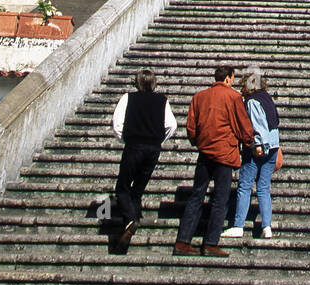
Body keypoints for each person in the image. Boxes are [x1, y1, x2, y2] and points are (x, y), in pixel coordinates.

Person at [173, 65, 254, 257]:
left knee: (196, 195)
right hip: (225, 153)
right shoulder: (233, 97)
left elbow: (191, 127)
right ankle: (210, 243)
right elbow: (244, 126)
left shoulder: (199, 97)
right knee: (220, 199)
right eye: (233, 78)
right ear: (227, 78)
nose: (233, 82)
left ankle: (183, 240)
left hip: (205, 152)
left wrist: (198, 141)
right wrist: (248, 141)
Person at [111, 69, 178, 248]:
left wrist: (127, 139)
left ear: (137, 83)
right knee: (138, 188)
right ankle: (132, 221)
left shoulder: (128, 98)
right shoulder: (162, 100)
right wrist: (158, 139)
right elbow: (172, 125)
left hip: (134, 146)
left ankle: (131, 220)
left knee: (123, 187)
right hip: (153, 149)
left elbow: (117, 124)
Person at [224, 67, 281, 240]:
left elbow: (257, 126)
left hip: (259, 148)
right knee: (263, 188)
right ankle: (267, 226)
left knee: (245, 185)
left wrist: (257, 145)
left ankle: (238, 225)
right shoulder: (267, 98)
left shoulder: (252, 101)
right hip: (273, 146)